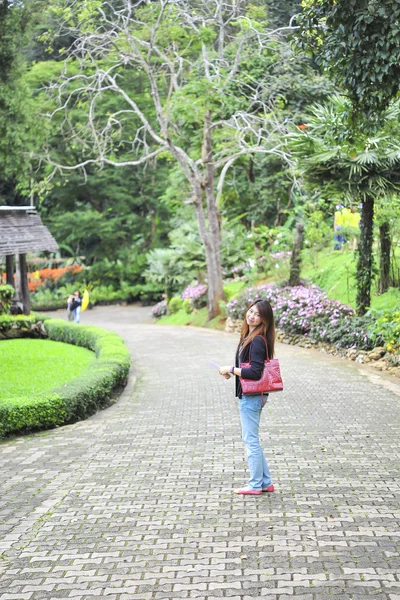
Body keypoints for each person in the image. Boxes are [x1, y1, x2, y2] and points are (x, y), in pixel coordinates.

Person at [219, 299, 276, 496]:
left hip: (252, 397)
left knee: (250, 440)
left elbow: (255, 372)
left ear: (264, 319)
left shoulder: (258, 339)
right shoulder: (249, 336)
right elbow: (246, 368)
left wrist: (232, 370)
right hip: (252, 396)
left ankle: (255, 485)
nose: (252, 316)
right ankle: (266, 482)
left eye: (257, 314)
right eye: (251, 311)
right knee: (252, 440)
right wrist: (231, 372)